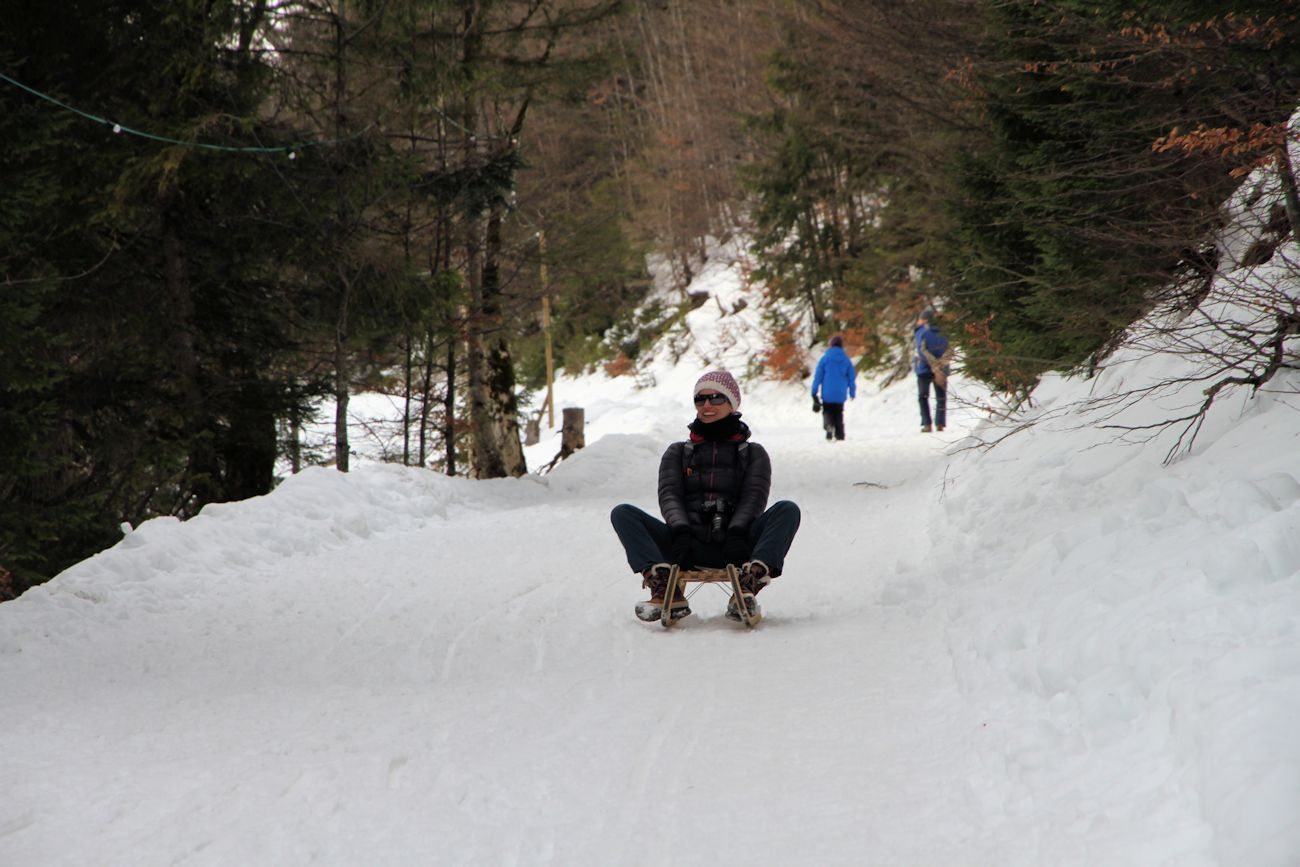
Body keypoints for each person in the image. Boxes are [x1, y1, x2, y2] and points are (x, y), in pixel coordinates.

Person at [610, 371, 801, 624]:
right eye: (700, 400)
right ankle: (666, 588)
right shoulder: (678, 452)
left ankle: (746, 587)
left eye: (716, 398)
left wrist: (737, 532)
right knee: (623, 513)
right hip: (685, 544)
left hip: (739, 544)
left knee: (787, 510)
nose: (707, 405)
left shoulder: (753, 453)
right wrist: (680, 531)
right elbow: (669, 496)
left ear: (732, 403)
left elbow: (754, 498)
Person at [810, 335, 857, 441]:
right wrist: (852, 392)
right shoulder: (846, 360)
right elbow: (851, 378)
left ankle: (829, 426)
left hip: (828, 392)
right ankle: (840, 434)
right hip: (840, 393)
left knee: (827, 411)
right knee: (838, 413)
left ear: (830, 345)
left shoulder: (825, 358)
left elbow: (818, 377)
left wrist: (814, 391)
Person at [914, 308, 951, 432]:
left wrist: (933, 363)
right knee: (941, 396)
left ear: (924, 320)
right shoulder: (945, 331)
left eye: (920, 318)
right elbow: (950, 349)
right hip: (942, 368)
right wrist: (940, 364)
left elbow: (921, 350)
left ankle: (927, 424)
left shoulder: (921, 332)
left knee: (923, 396)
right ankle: (940, 423)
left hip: (924, 368)